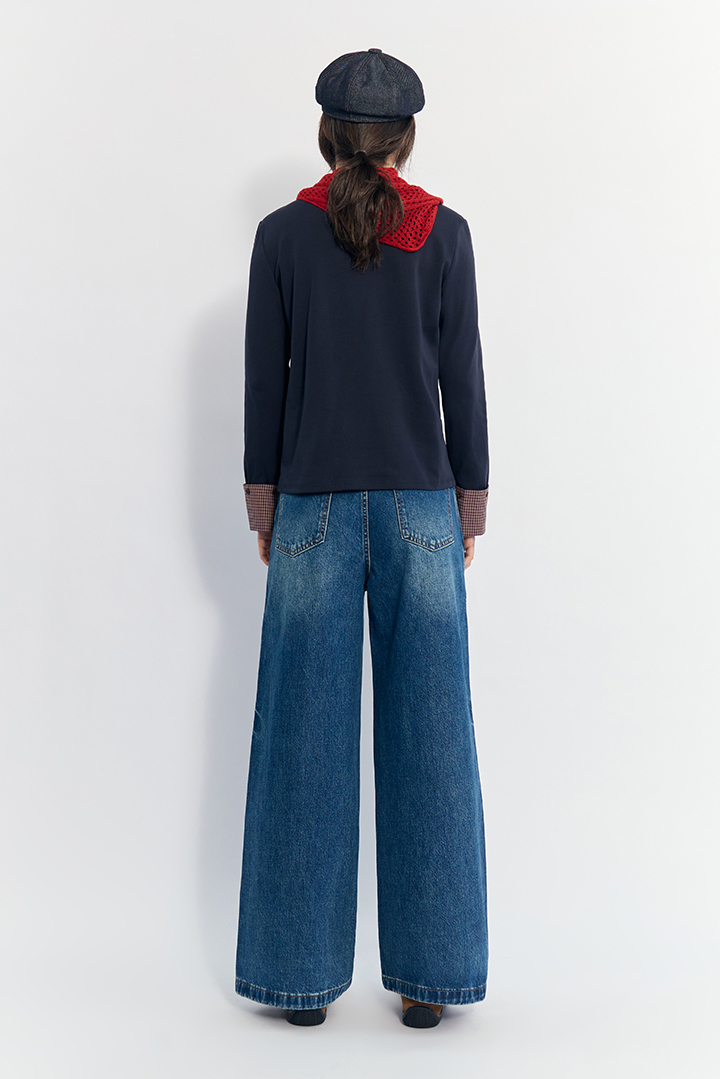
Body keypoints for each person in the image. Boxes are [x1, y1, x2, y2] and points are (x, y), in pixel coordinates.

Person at [235, 48, 489, 1029]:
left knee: (301, 738)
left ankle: (299, 981)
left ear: (327, 135)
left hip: (314, 507)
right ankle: (431, 980)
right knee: (435, 740)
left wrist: (267, 506)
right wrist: (468, 507)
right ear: (405, 140)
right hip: (423, 509)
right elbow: (462, 379)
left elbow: (264, 381)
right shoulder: (444, 234)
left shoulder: (281, 236)